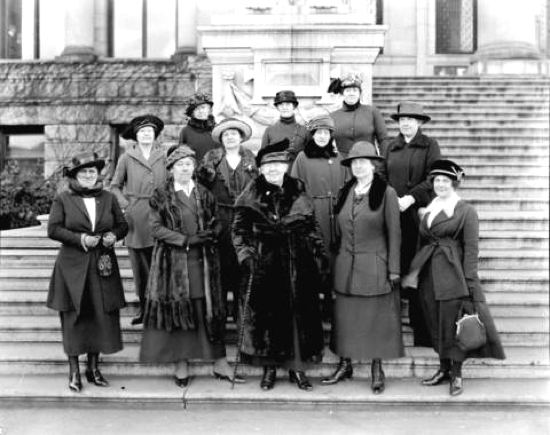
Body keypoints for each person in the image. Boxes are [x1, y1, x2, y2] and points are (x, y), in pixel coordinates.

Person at [139, 145, 244, 386]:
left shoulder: (204, 193)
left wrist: (214, 231)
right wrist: (184, 240)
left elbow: (216, 219)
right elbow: (155, 228)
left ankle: (219, 362)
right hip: (173, 262)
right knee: (181, 311)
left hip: (204, 261)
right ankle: (181, 363)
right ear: (171, 169)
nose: (184, 169)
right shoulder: (161, 195)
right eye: (180, 165)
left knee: (208, 310)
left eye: (188, 164)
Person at [403, 159, 505, 396]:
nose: (440, 184)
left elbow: (471, 250)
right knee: (434, 322)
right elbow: (422, 242)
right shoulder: (430, 208)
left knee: (453, 324)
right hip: (429, 275)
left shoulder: (465, 211)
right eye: (437, 180)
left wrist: (469, 281)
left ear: (454, 184)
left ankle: (456, 374)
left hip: (453, 274)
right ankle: (443, 368)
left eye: (445, 181)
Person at [232, 139, 327, 391]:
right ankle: (270, 369)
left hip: (297, 263)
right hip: (265, 264)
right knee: (268, 319)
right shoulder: (250, 193)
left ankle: (297, 369)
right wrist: (246, 255)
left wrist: (318, 254)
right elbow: (239, 230)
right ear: (261, 169)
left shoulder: (298, 189)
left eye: (277, 164)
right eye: (268, 166)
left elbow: (312, 226)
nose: (273, 169)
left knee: (297, 318)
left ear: (285, 166)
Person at [322, 141, 402, 394]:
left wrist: (394, 269)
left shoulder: (386, 193)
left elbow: (395, 234)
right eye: (354, 163)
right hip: (346, 266)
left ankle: (377, 368)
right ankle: (344, 364)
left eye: (363, 162)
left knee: (375, 319)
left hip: (374, 266)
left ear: (373, 165)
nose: (358, 166)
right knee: (345, 319)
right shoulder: (346, 191)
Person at [47, 152, 128, 392]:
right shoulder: (63, 199)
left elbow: (122, 225)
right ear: (75, 175)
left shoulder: (108, 198)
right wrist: (80, 239)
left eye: (92, 171)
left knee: (100, 315)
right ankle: (74, 371)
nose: (89, 175)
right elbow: (53, 229)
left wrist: (114, 235)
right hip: (72, 266)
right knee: (73, 317)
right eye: (83, 172)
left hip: (102, 264)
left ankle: (93, 368)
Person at [378, 101, 442, 346]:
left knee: (418, 270)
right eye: (402, 119)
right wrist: (392, 198)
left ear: (419, 123)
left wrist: (411, 197)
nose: (405, 123)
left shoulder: (430, 145)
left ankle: (421, 330)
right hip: (393, 213)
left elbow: (434, 176)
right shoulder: (389, 146)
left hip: (417, 215)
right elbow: (381, 175)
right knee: (394, 265)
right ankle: (390, 326)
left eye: (411, 119)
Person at [196, 118, 258, 323]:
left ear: (240, 138)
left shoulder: (250, 159)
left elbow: (257, 191)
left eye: (234, 134)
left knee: (244, 269)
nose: (230, 137)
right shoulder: (211, 159)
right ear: (221, 139)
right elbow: (200, 191)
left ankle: (243, 320)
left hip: (244, 222)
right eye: (226, 134)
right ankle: (218, 320)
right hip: (220, 221)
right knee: (220, 272)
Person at [110, 114, 166, 325]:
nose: (146, 134)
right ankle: (144, 308)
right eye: (142, 132)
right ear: (136, 136)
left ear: (155, 135)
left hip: (161, 215)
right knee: (140, 268)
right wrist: (126, 206)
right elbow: (114, 186)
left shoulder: (164, 155)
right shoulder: (127, 157)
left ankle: (161, 309)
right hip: (136, 218)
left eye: (150, 131)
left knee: (161, 264)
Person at [290, 114, 347, 317]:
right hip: (314, 214)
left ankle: (331, 301)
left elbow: (348, 186)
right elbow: (295, 188)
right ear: (312, 135)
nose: (322, 136)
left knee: (334, 257)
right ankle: (313, 304)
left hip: (336, 214)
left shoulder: (339, 158)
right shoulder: (302, 158)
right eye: (318, 133)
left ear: (331, 136)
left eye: (326, 133)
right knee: (314, 256)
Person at [328, 73, 388, 158]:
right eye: (348, 91)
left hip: (369, 161)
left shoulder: (372, 112)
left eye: (355, 90)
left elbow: (383, 140)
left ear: (360, 93)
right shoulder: (332, 116)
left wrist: (383, 162)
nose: (351, 93)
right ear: (342, 93)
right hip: (343, 163)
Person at [260, 90, 308, 163]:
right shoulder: (269, 130)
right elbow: (263, 158)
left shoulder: (304, 131)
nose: (284, 107)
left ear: (294, 106)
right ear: (277, 107)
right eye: (281, 104)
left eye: (288, 104)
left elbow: (309, 158)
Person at [178, 93, 220, 162]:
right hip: (194, 167)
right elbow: (181, 155)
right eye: (196, 109)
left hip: (215, 167)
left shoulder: (217, 129)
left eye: (203, 107)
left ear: (209, 109)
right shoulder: (186, 131)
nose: (201, 111)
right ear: (192, 113)